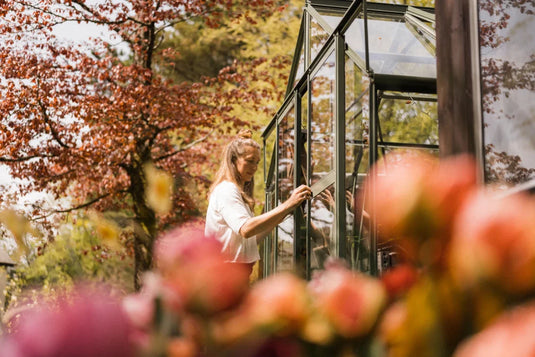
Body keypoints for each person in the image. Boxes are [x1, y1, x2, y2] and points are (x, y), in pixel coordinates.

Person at [204, 129, 312, 276]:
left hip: (235, 273)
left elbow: (253, 238)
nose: (254, 167)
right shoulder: (227, 190)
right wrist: (288, 204)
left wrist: (286, 211)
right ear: (233, 160)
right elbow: (246, 229)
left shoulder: (236, 192)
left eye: (257, 162)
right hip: (224, 274)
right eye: (249, 161)